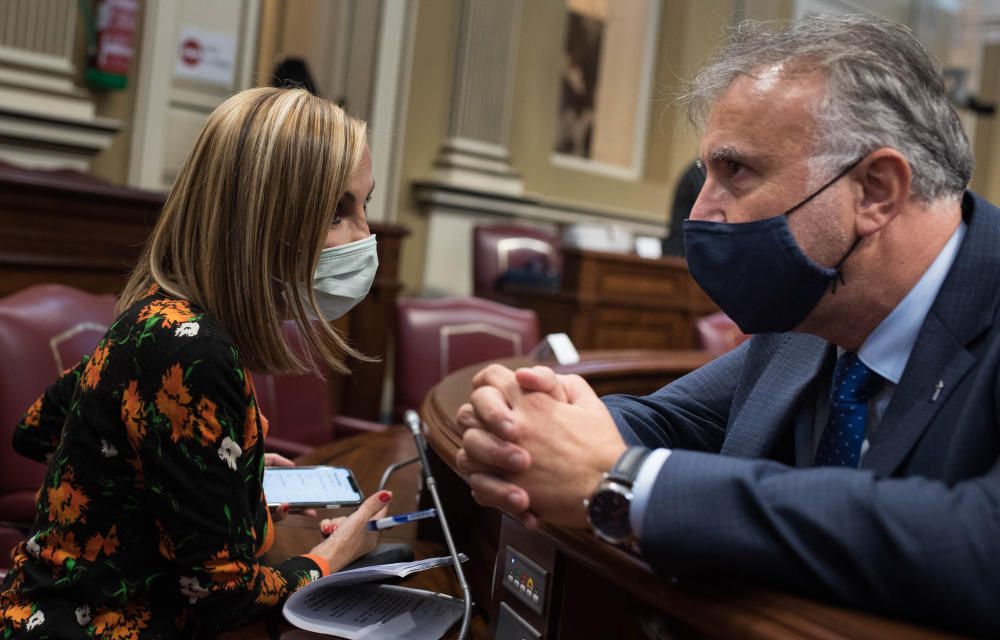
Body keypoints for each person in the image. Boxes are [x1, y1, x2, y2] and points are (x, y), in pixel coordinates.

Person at [455, 14, 1000, 636]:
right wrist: (527, 427)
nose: (700, 211)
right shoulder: (810, 310)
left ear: (876, 190)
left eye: (735, 171)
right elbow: (673, 422)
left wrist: (629, 486)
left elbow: (981, 543)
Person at [0, 87, 392, 637]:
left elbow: (38, 430)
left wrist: (217, 485)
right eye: (336, 212)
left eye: (364, 204)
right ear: (260, 222)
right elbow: (225, 598)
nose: (365, 236)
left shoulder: (157, 315)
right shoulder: (193, 349)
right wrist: (337, 552)